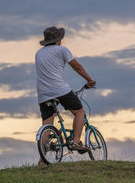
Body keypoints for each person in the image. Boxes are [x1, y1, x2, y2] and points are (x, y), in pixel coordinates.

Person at [35, 26, 96, 154]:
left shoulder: (38, 54)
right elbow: (77, 67)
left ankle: (42, 158)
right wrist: (89, 80)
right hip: (60, 90)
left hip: (43, 94)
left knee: (46, 125)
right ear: (58, 40)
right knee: (79, 112)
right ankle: (75, 142)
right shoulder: (62, 50)